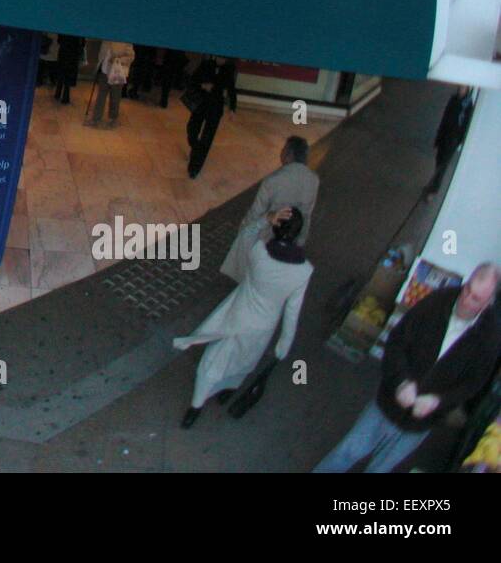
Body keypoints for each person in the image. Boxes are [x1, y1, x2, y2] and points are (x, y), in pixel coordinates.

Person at [314, 263, 501, 473]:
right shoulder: (438, 301)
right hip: (388, 403)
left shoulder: (489, 338)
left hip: (420, 424)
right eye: (467, 289)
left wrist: (439, 401)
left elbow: (472, 385)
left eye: (476, 298)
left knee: (379, 470)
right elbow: (397, 341)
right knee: (347, 452)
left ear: (488, 303)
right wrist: (401, 381)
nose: (466, 299)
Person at [174, 208, 312, 428]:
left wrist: (265, 219)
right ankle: (227, 392)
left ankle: (196, 406)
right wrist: (283, 347)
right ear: (298, 233)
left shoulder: (260, 252)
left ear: (276, 226)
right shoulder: (304, 271)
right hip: (264, 327)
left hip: (238, 317)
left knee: (213, 363)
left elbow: (245, 233)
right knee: (244, 362)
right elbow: (292, 312)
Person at [221, 136, 319, 282]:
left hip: (268, 234)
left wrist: (244, 231)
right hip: (292, 234)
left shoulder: (274, 180)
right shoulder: (313, 179)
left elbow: (256, 212)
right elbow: (307, 214)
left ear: (289, 154)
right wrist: (300, 240)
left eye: (284, 149)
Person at [186, 55, 237, 178]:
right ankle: (195, 147)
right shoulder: (206, 64)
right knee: (192, 129)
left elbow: (232, 89)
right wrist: (202, 86)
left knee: (207, 138)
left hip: (215, 106)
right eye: (220, 57)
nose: (221, 60)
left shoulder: (229, 69)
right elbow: (192, 80)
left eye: (224, 58)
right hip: (201, 103)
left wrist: (232, 109)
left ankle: (194, 168)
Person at [427, 86, 474, 195]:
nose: (461, 90)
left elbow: (465, 124)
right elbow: (445, 116)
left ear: (467, 90)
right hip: (444, 134)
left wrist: (459, 140)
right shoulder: (454, 99)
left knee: (442, 165)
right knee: (439, 160)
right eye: (461, 87)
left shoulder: (467, 105)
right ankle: (433, 184)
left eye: (464, 88)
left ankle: (433, 190)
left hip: (453, 139)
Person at [86, 40, 134, 128]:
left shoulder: (126, 40)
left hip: (117, 73)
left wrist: (117, 59)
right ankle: (96, 119)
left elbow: (131, 57)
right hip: (104, 71)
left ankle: (113, 119)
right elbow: (102, 54)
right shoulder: (105, 40)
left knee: (115, 97)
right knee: (101, 96)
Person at [52, 34, 82, 105]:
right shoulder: (79, 31)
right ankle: (65, 97)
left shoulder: (65, 28)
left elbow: (59, 40)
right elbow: (82, 44)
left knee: (61, 73)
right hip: (73, 55)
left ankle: (57, 93)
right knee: (68, 76)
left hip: (63, 52)